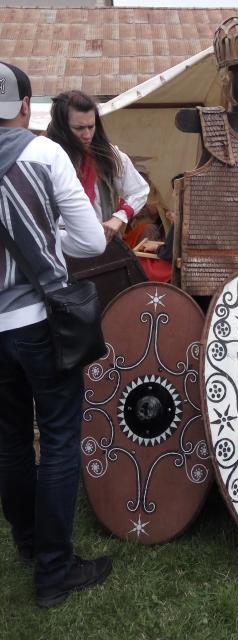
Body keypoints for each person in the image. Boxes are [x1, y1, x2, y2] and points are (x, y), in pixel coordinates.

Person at [0, 62, 112, 608]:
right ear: (25, 106)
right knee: (61, 439)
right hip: (38, 322)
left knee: (11, 442)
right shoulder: (44, 154)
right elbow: (91, 241)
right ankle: (53, 570)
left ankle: (28, 546)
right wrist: (48, 233)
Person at [46, 90, 149, 241]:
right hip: (56, 244)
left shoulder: (108, 155)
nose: (87, 135)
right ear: (62, 127)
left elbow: (139, 190)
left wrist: (119, 218)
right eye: (79, 128)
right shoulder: (44, 157)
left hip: (101, 244)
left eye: (91, 126)